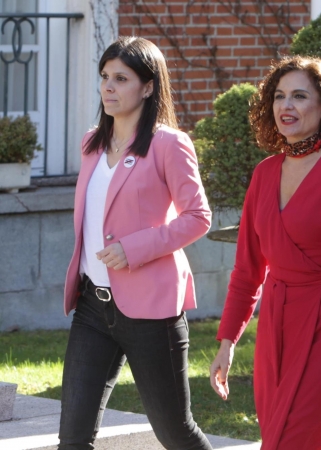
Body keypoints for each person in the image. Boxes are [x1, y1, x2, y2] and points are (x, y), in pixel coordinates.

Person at [209, 55, 321, 450]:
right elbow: (248, 270)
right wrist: (227, 342)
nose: (287, 106)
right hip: (275, 324)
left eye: (300, 96)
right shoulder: (264, 173)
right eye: (280, 96)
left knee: (304, 436)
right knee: (276, 432)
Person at [60, 37, 213, 450]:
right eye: (105, 77)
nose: (108, 87)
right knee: (72, 438)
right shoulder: (92, 143)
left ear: (148, 86)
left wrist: (135, 247)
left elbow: (198, 217)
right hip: (93, 306)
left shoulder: (169, 144)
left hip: (151, 309)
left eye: (121, 79)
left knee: (175, 432)